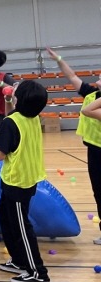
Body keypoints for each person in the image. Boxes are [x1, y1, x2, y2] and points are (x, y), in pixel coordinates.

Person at [0, 80, 50, 282]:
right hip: (25, 178)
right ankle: (18, 261)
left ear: (19, 99)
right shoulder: (32, 117)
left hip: (17, 181)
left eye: (15, 91)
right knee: (5, 217)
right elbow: (12, 118)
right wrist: (8, 101)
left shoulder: (11, 123)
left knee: (22, 227)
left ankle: (37, 272)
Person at [46, 48, 101, 245]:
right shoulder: (92, 94)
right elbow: (72, 75)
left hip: (100, 151)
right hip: (94, 150)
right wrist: (59, 59)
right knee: (98, 191)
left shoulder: (95, 103)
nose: (98, 78)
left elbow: (87, 112)